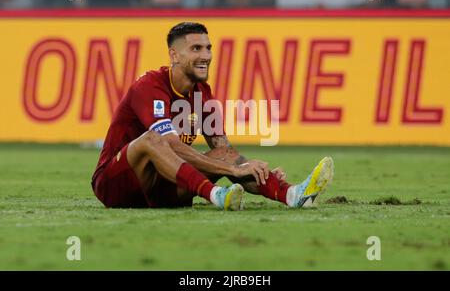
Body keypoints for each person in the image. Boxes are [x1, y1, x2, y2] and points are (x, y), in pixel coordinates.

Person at [91, 22, 334, 211]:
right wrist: (233, 171)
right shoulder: (150, 85)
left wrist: (252, 171)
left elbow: (224, 150)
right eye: (196, 48)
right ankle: (216, 195)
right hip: (116, 186)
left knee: (226, 154)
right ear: (174, 55)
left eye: (208, 48)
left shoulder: (203, 93)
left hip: (161, 191)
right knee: (154, 139)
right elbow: (172, 144)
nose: (206, 55)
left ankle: (293, 195)